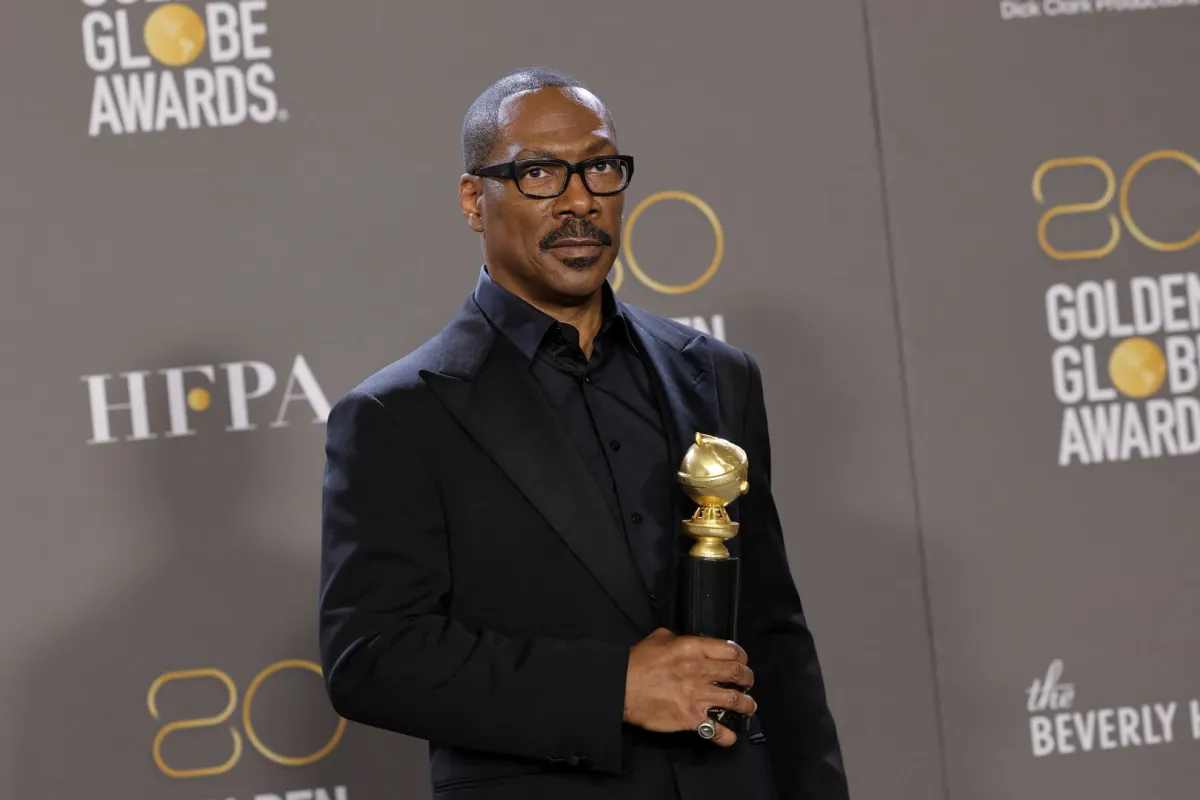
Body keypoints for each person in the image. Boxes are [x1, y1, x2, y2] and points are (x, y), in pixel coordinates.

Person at [318, 67, 849, 800]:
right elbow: (371, 659)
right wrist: (613, 687)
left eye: (600, 167)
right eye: (540, 173)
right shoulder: (398, 416)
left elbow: (775, 637)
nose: (580, 201)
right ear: (476, 199)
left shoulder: (720, 376)